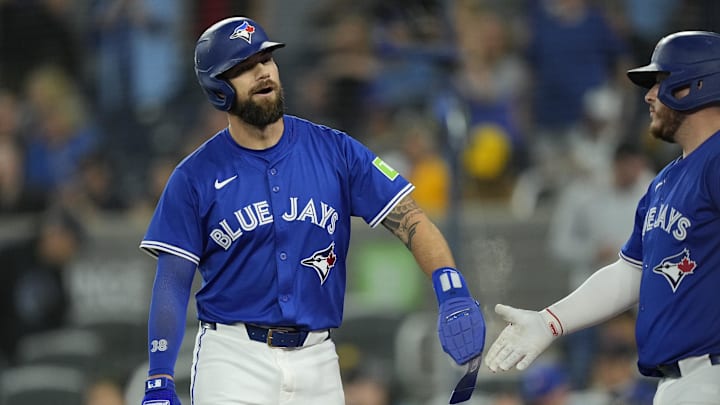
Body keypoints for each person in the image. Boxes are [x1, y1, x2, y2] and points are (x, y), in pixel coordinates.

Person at [138, 16, 486, 405]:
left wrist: (450, 287)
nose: (262, 73)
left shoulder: (335, 150)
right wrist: (160, 377)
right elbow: (172, 281)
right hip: (233, 358)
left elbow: (411, 219)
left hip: (318, 357)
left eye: (265, 60)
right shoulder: (194, 176)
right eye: (244, 69)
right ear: (219, 90)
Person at [484, 30, 720, 405]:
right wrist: (550, 321)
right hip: (677, 381)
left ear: (697, 85)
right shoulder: (666, 180)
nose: (649, 95)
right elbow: (629, 274)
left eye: (660, 82)